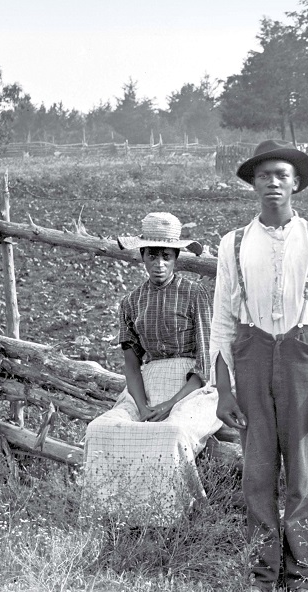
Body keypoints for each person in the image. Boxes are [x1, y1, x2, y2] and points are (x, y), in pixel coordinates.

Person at [211, 140, 308, 591]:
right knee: (257, 471)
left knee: (303, 475)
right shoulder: (232, 243)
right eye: (264, 174)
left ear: (296, 184)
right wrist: (224, 388)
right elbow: (222, 318)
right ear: (253, 183)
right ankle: (261, 572)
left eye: (282, 174)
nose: (273, 181)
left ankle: (304, 572)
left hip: (304, 355)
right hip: (251, 352)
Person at [82, 212, 221, 526]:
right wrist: (142, 404)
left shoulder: (194, 294)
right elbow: (132, 362)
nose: (159, 263)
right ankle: (115, 514)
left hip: (194, 387)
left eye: (166, 256)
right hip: (147, 382)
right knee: (100, 429)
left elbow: (204, 362)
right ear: (142, 256)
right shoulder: (132, 301)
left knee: (172, 432)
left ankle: (174, 517)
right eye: (152, 256)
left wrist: (168, 406)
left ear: (175, 258)